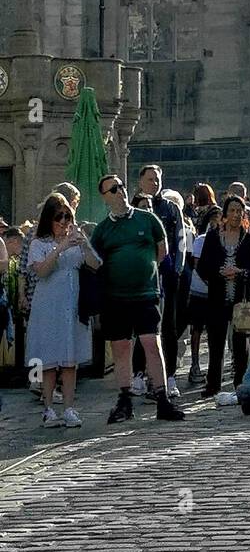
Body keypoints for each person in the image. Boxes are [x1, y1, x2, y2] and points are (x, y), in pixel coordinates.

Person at [90, 174, 184, 423]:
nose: (119, 191)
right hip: (116, 298)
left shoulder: (148, 219)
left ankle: (162, 398)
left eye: (121, 186)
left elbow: (162, 252)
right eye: (113, 189)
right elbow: (95, 263)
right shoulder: (102, 230)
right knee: (121, 348)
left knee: (152, 343)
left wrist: (142, 269)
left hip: (146, 294)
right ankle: (125, 399)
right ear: (105, 197)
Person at [26, 194, 102, 428]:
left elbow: (95, 264)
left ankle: (69, 407)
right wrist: (60, 247)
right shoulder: (40, 244)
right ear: (49, 219)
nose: (63, 221)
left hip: (71, 305)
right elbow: (41, 271)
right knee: (47, 361)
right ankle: (48, 408)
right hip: (48, 307)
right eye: (58, 217)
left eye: (67, 216)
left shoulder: (75, 241)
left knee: (70, 361)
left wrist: (84, 242)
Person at [197, 194, 250, 397]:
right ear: (225, 214)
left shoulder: (248, 239)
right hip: (217, 297)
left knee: (241, 344)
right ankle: (213, 383)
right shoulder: (214, 237)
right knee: (216, 342)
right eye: (232, 210)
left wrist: (241, 273)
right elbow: (202, 266)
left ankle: (241, 381)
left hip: (240, 300)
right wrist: (219, 272)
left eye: (238, 211)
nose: (235, 214)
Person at [136, 165, 187, 399]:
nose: (154, 184)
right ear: (140, 182)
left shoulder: (170, 208)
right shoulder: (134, 208)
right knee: (142, 326)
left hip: (166, 276)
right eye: (150, 180)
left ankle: (169, 376)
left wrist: (176, 270)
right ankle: (139, 374)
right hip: (141, 278)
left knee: (168, 327)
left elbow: (180, 241)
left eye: (157, 180)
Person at [185, 204, 221, 385]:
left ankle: (214, 367)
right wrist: (212, 282)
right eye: (212, 222)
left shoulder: (225, 239)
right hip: (200, 291)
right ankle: (195, 365)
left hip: (216, 293)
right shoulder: (200, 240)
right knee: (197, 330)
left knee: (216, 331)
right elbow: (198, 266)